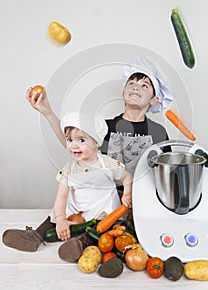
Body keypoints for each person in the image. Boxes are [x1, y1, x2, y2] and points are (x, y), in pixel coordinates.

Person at [2, 112, 132, 262]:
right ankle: (35, 236)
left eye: (81, 140)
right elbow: (62, 196)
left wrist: (127, 193)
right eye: (69, 140)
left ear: (96, 142)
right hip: (77, 204)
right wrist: (61, 219)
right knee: (55, 212)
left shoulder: (107, 163)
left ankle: (80, 244)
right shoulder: (69, 168)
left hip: (101, 205)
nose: (73, 145)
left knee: (103, 226)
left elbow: (126, 177)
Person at [26, 56, 174, 174]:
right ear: (123, 92)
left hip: (143, 202)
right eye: (131, 83)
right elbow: (72, 142)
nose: (136, 87)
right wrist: (48, 112)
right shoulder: (103, 127)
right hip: (108, 202)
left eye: (144, 86)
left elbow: (168, 172)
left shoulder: (158, 132)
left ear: (155, 100)